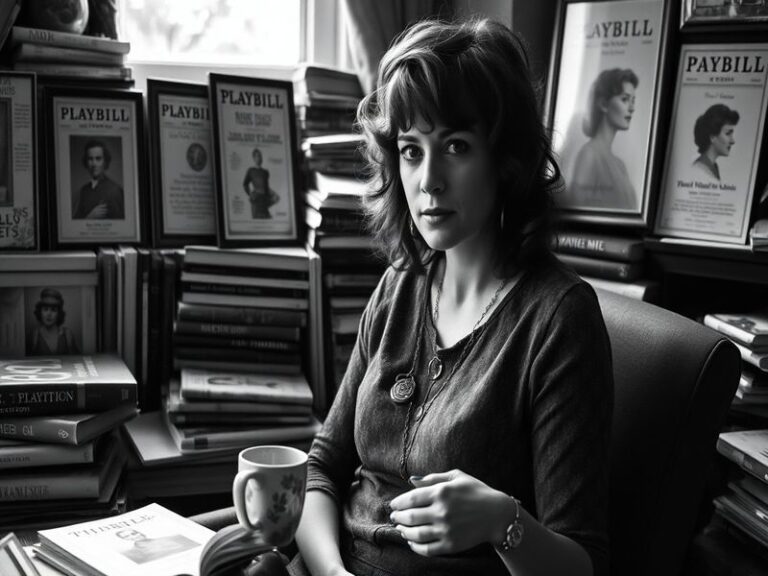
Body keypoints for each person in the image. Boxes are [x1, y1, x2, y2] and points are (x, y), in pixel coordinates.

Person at [283, 17, 612, 576]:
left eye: (455, 146)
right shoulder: (399, 286)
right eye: (411, 150)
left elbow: (584, 564)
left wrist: (501, 521)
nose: (429, 179)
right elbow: (321, 468)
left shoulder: (558, 320)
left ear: (505, 161)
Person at [568, 68, 638, 211]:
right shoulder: (589, 154)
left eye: (633, 100)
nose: (632, 108)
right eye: (625, 99)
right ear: (603, 104)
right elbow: (576, 212)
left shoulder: (620, 166)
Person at [73, 139, 125, 219]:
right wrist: (90, 217)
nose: (94, 164)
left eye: (98, 159)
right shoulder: (84, 190)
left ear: (105, 162)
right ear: (86, 162)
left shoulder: (115, 190)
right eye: (90, 159)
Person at [692, 104, 739, 182]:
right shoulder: (700, 169)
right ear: (712, 137)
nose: (733, 141)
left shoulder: (713, 167)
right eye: (728, 133)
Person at [26, 288, 79, 355]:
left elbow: (77, 360)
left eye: (53, 310)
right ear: (40, 312)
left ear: (59, 313)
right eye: (45, 309)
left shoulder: (67, 335)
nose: (49, 314)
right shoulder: (33, 336)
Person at [243, 147, 279, 218]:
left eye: (260, 156)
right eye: (257, 156)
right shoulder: (251, 170)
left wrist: (274, 195)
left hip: (264, 200)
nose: (259, 158)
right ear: (254, 158)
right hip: (256, 201)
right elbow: (245, 184)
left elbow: (266, 186)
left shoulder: (265, 172)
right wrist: (250, 194)